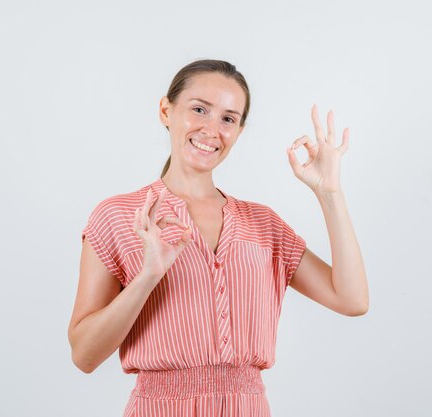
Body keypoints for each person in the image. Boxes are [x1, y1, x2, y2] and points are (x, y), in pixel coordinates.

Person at [68, 59, 369, 417]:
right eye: (199, 109)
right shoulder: (119, 216)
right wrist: (147, 276)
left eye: (228, 118)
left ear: (239, 131)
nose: (212, 129)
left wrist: (329, 193)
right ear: (167, 110)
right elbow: (84, 356)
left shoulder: (263, 223)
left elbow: (352, 300)